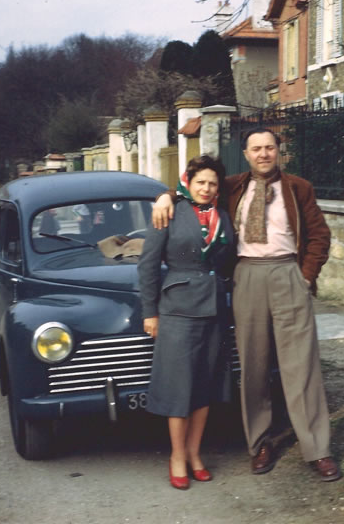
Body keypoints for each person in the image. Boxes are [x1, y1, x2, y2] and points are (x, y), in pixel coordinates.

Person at [152, 129, 340, 482]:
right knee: (253, 364)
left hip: (287, 273)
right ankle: (260, 444)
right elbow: (192, 188)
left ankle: (318, 449)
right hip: (247, 276)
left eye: (269, 148)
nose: (263, 154)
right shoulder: (233, 185)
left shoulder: (299, 187)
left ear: (279, 152)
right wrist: (164, 196)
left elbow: (319, 235)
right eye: (257, 149)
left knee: (301, 365)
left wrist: (306, 276)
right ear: (247, 153)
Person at [138, 155, 235, 491]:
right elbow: (148, 266)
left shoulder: (223, 215)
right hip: (177, 309)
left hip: (214, 309)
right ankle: (177, 456)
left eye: (212, 184)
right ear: (188, 182)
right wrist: (150, 312)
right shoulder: (169, 211)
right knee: (179, 388)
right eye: (200, 182)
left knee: (205, 387)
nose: (206, 189)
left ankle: (195, 454)